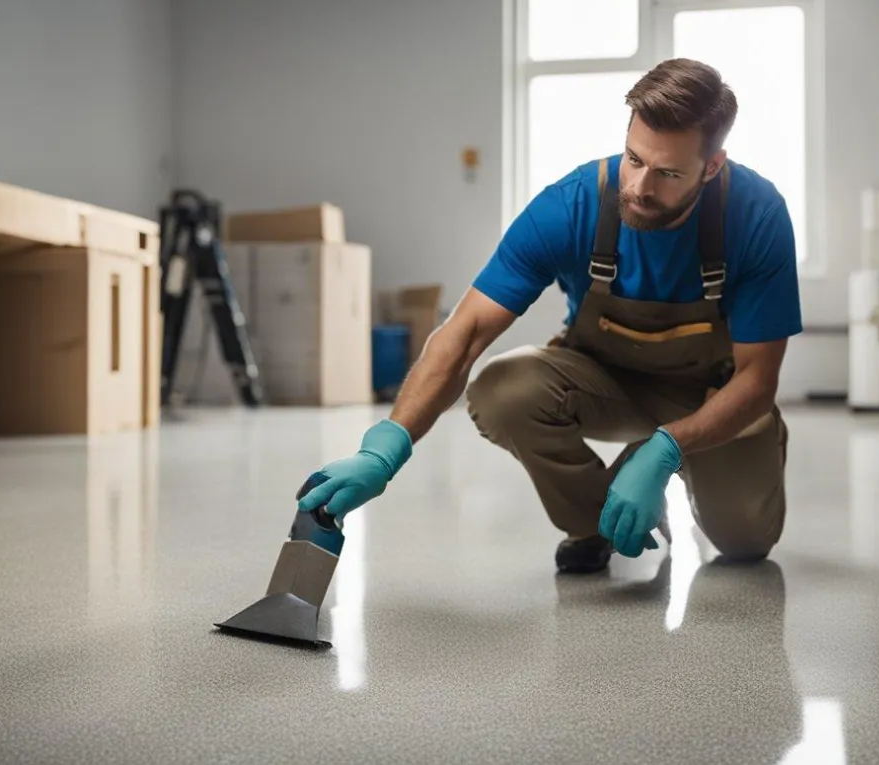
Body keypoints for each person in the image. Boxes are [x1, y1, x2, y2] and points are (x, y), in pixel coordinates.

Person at [299, 58, 802, 573]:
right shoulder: (572, 205)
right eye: (634, 159)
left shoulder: (756, 216)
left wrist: (667, 447)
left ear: (712, 166)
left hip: (711, 398)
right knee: (503, 388)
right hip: (608, 382)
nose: (641, 188)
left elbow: (758, 380)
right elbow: (467, 332)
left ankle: (657, 460)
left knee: (744, 544)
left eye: (669, 173)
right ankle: (599, 520)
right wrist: (386, 447)